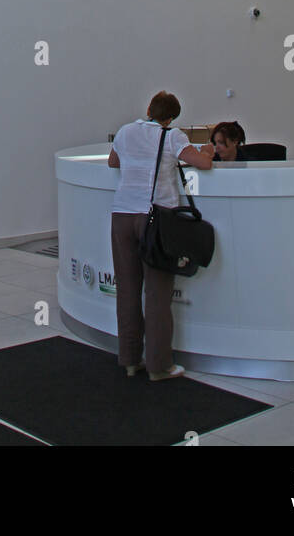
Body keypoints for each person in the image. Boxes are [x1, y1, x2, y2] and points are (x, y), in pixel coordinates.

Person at [108, 91, 213, 381]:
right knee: (157, 294)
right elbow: (202, 164)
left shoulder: (126, 131)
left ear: (149, 109)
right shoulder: (172, 136)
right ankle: (159, 365)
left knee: (128, 291)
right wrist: (207, 152)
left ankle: (129, 360)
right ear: (171, 118)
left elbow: (113, 162)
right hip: (156, 221)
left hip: (121, 216)